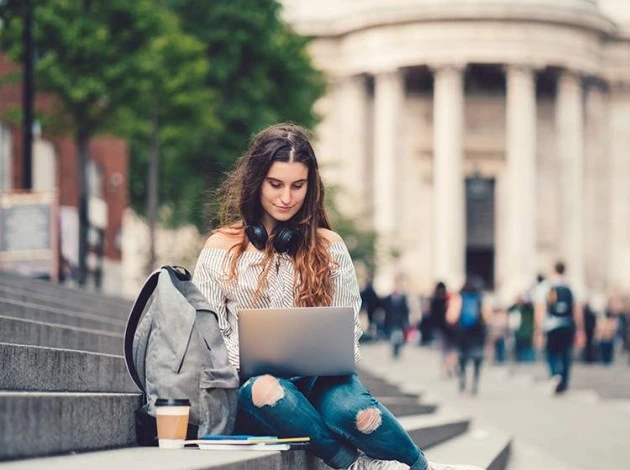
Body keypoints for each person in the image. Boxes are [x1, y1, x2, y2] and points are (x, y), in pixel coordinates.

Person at [192, 124, 481, 470]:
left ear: (310, 187)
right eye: (276, 185)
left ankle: (423, 468)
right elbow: (207, 342)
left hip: (321, 381)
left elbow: (349, 332)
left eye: (298, 186)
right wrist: (257, 358)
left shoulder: (330, 247)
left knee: (357, 413)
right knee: (269, 390)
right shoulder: (220, 248)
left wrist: (326, 356)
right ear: (256, 183)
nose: (286, 197)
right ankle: (354, 465)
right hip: (252, 389)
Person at [534, 261, 585, 394]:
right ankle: (564, 381)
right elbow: (577, 310)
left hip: (551, 326)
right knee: (565, 353)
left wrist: (538, 329)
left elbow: (541, 309)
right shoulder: (571, 286)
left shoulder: (545, 287)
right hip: (567, 325)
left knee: (551, 352)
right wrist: (580, 329)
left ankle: (555, 374)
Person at [446, 279, 489, 395]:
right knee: (477, 359)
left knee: (463, 359)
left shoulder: (459, 298)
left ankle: (463, 381)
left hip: (463, 334)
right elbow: (486, 317)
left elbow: (451, 317)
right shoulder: (480, 298)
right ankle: (475, 383)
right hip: (477, 334)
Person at [431, 282, 458, 377]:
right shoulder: (449, 299)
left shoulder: (435, 300)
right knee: (452, 349)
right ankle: (451, 366)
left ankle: (446, 368)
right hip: (452, 328)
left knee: (444, 350)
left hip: (441, 329)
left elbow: (432, 316)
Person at [383, 276, 411, 359]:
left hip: (400, 321)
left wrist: (406, 321)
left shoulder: (403, 298)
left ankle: (397, 350)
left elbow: (406, 310)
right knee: (392, 336)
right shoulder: (389, 297)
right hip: (391, 320)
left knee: (399, 336)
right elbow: (386, 309)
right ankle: (394, 350)